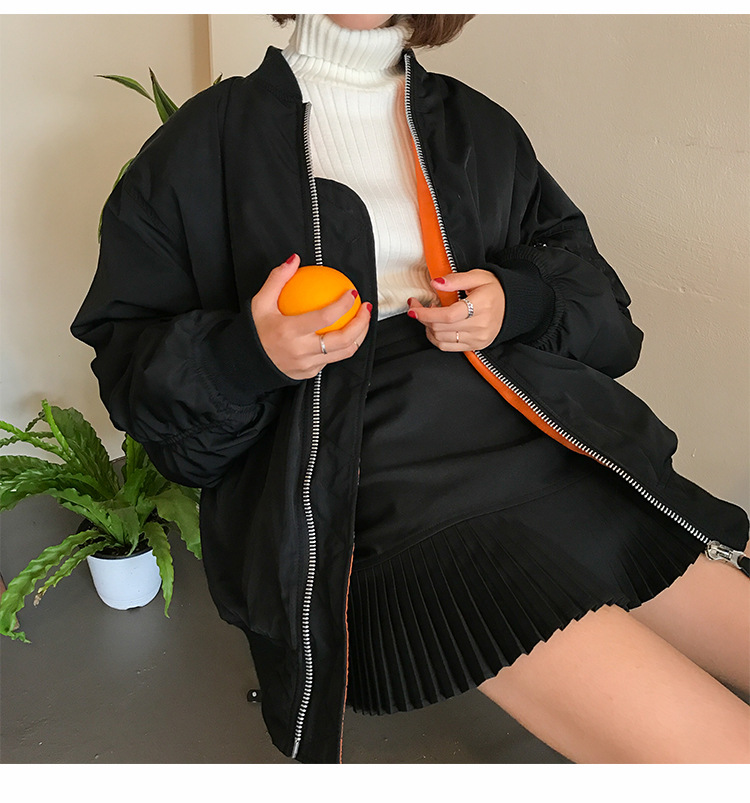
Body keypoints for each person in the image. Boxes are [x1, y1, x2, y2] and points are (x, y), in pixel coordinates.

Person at [71, 14, 750, 764]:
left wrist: (516, 300)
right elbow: (135, 374)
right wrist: (247, 354)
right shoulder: (200, 147)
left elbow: (599, 303)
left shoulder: (475, 126)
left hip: (545, 438)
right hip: (383, 481)